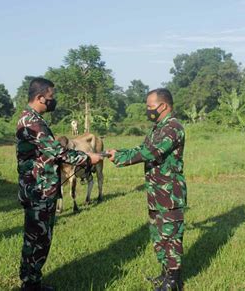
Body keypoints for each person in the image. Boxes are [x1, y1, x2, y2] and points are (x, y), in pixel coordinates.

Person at [16, 78, 102, 291]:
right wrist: (88, 158)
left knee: (40, 239)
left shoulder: (34, 119)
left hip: (43, 188)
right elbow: (58, 151)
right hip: (38, 190)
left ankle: (32, 281)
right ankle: (30, 284)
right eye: (51, 98)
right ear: (40, 97)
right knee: (37, 239)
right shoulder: (31, 122)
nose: (53, 102)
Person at [106, 88, 186, 291]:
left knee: (171, 237)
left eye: (150, 107)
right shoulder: (158, 127)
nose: (148, 110)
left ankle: (174, 282)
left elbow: (151, 152)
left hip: (170, 194)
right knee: (159, 237)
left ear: (164, 106)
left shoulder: (173, 127)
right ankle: (165, 274)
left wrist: (122, 159)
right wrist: (119, 152)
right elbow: (141, 148)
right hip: (156, 193)